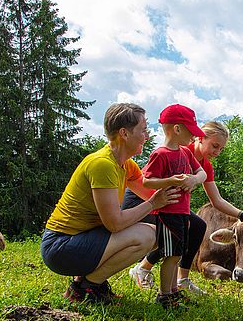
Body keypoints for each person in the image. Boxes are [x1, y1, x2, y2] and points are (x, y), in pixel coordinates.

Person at [41, 103, 179, 304]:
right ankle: (87, 287)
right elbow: (114, 223)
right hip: (60, 247)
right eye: (143, 130)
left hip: (81, 239)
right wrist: (152, 204)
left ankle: (89, 281)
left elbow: (152, 192)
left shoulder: (125, 164)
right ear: (124, 133)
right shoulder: (102, 164)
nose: (147, 136)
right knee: (148, 235)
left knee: (157, 231)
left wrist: (180, 186)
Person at [124, 120, 243, 296]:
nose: (217, 152)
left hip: (169, 205)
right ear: (199, 138)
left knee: (198, 226)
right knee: (179, 231)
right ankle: (143, 269)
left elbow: (217, 200)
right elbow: (146, 181)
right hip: (141, 200)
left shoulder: (204, 165)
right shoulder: (181, 149)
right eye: (214, 146)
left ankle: (182, 280)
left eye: (221, 149)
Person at [124, 103, 207, 308]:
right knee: (170, 256)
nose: (194, 137)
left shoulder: (185, 153)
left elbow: (201, 173)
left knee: (177, 253)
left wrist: (193, 180)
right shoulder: (160, 154)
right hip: (167, 212)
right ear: (177, 129)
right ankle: (164, 295)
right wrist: (171, 181)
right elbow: (147, 181)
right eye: (191, 132)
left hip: (182, 212)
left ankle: (173, 291)